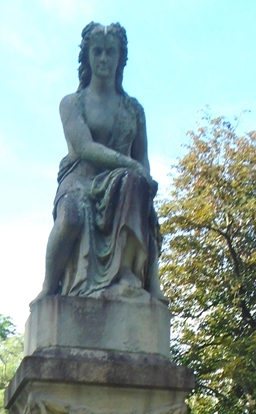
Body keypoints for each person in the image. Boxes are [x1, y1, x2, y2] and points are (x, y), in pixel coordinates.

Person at [35, 22, 165, 302]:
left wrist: (144, 181)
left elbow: (141, 156)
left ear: (121, 58)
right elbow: (84, 148)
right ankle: (49, 285)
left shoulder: (134, 109)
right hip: (80, 179)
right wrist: (130, 165)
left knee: (137, 188)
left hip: (122, 185)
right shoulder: (72, 102)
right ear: (87, 56)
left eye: (110, 52)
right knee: (71, 218)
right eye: (97, 52)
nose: (104, 59)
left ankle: (130, 273)